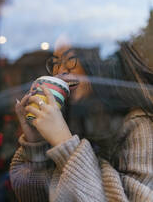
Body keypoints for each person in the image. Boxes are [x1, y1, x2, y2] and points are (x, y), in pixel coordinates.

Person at [10, 37, 153, 201]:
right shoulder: (74, 119)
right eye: (55, 62)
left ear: (99, 64)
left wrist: (65, 143)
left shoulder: (140, 126)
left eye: (71, 59)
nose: (60, 71)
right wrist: (36, 142)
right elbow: (35, 197)